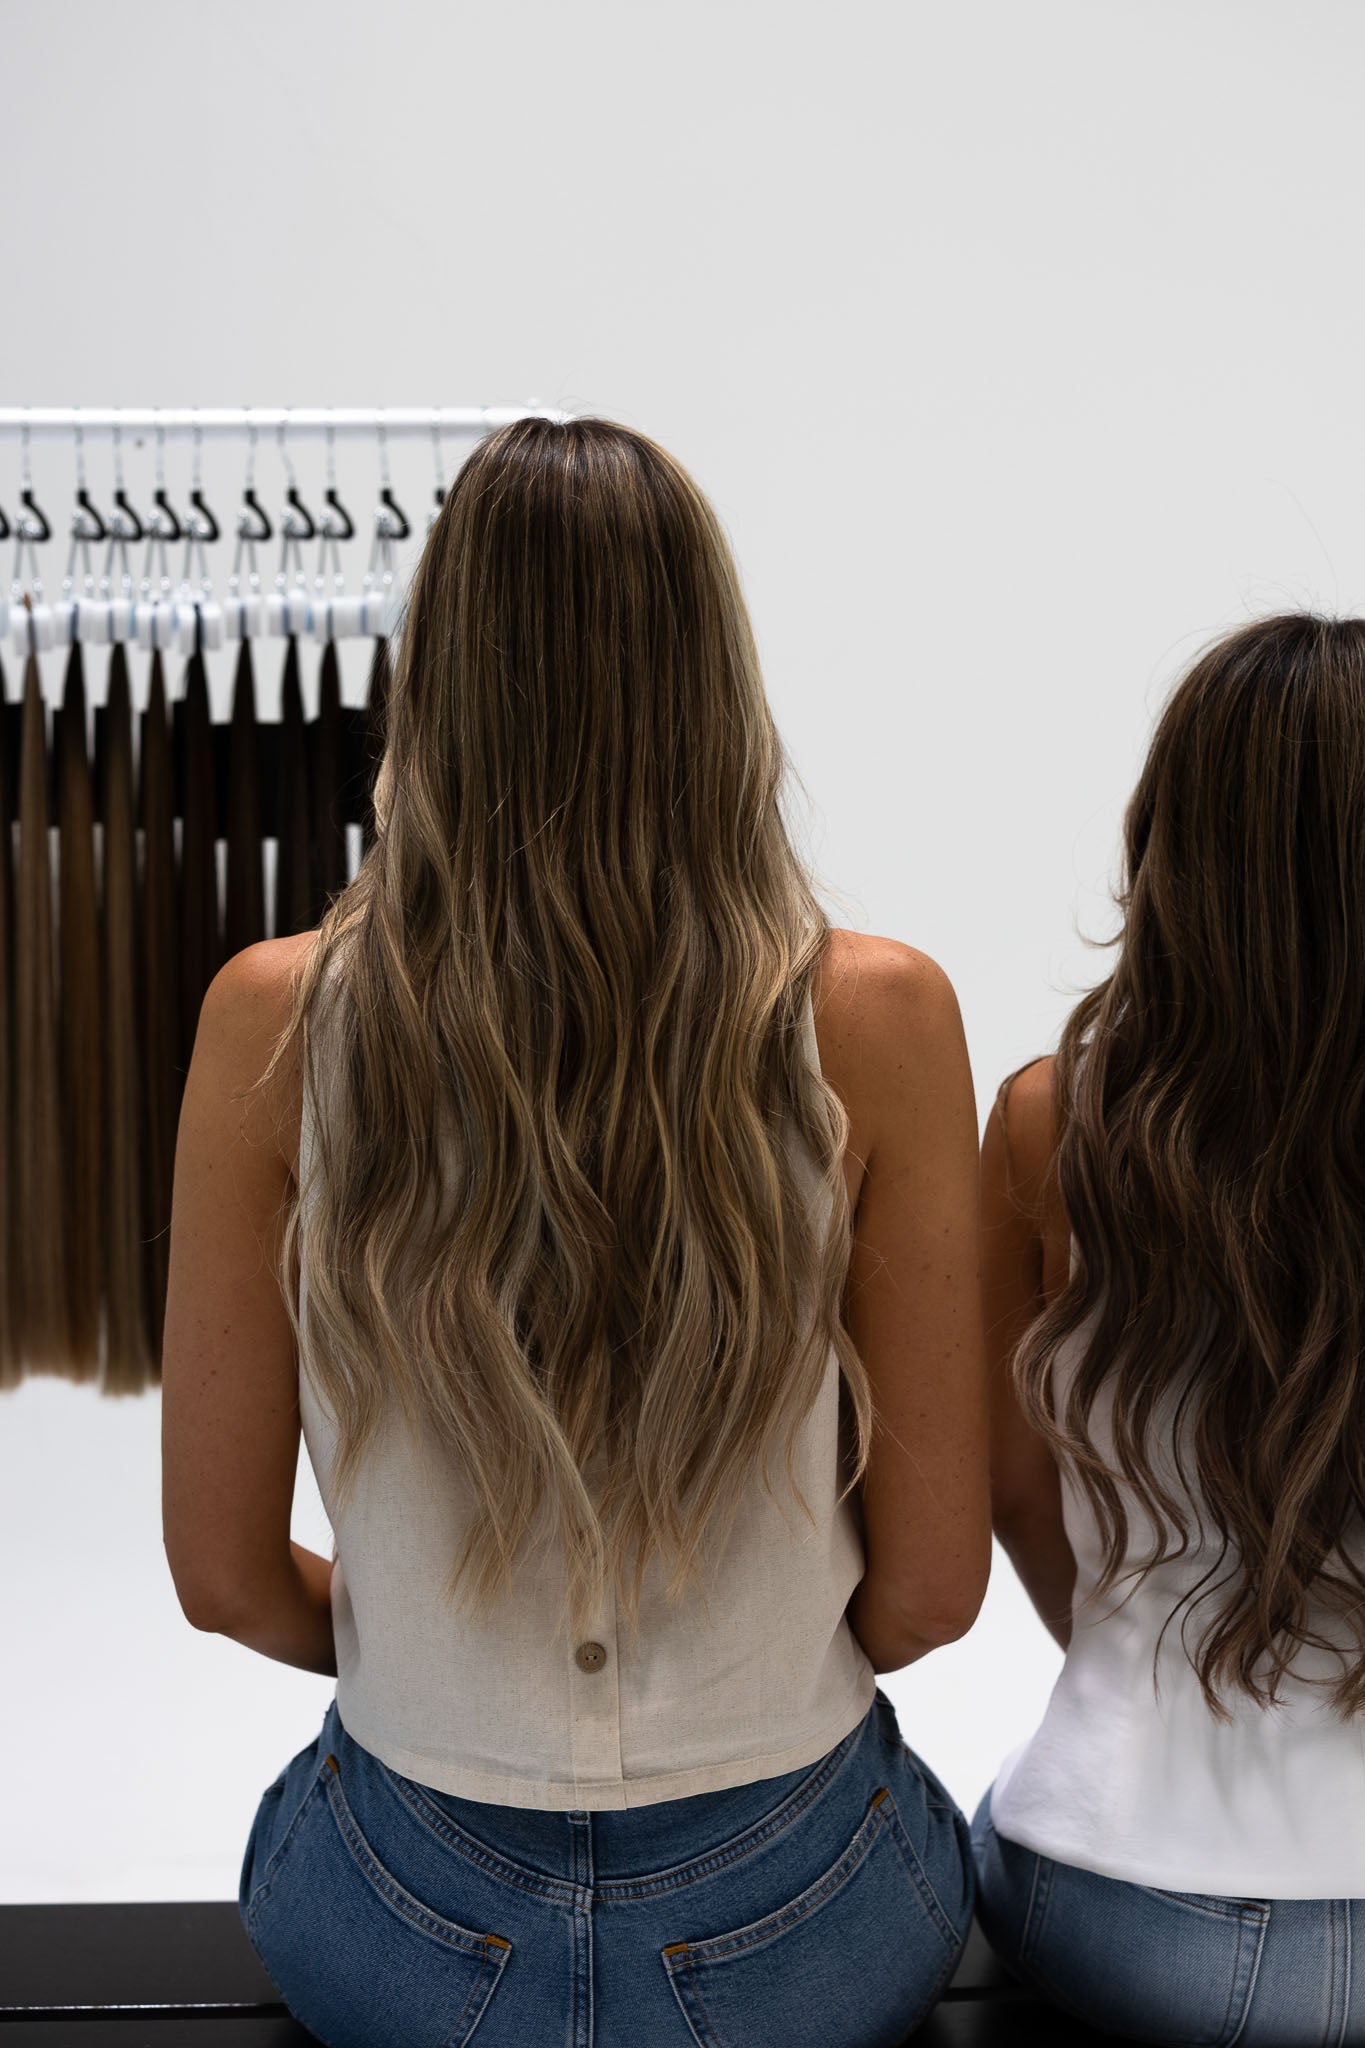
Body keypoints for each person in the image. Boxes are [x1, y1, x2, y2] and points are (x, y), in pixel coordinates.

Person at [160, 416, 991, 2048]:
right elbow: (931, 1594)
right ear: (710, 676)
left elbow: (221, 1578)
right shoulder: (879, 1018)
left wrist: (430, 1671)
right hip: (796, 1931)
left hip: (404, 1930)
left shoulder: (273, 1020)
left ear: (436, 678)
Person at [975, 611, 1365, 2046]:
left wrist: (1129, 1667)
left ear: (1169, 844)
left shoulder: (1048, 1126)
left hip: (1123, 1904)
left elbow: (1013, 1493)